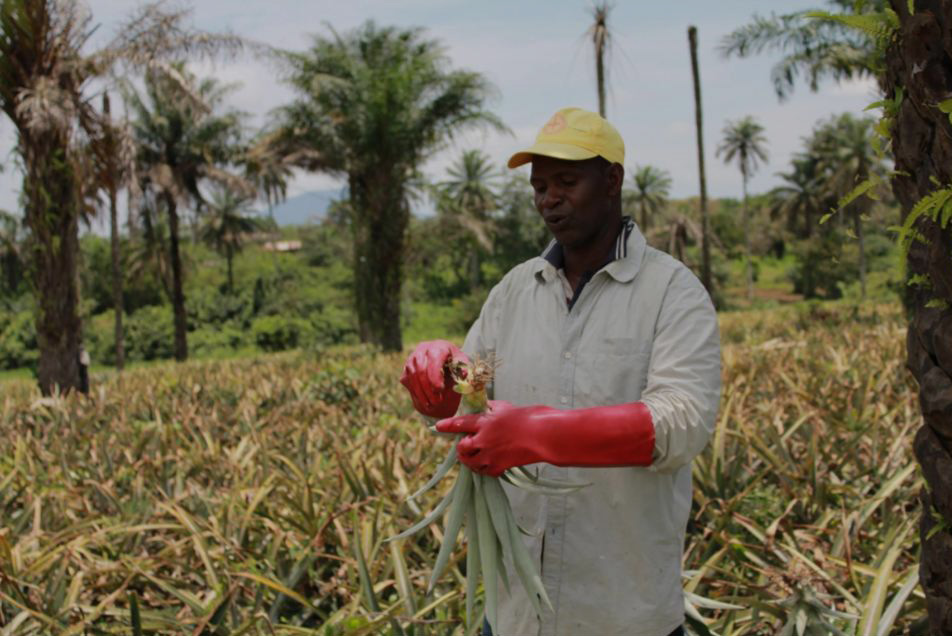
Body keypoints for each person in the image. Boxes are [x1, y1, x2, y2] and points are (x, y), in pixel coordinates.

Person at [400, 107, 721, 636]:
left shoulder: (671, 292)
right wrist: (438, 378)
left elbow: (680, 425)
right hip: (514, 615)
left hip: (622, 615)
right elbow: (467, 402)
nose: (549, 199)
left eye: (567, 182)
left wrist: (539, 433)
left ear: (612, 180)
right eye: (540, 185)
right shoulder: (514, 291)